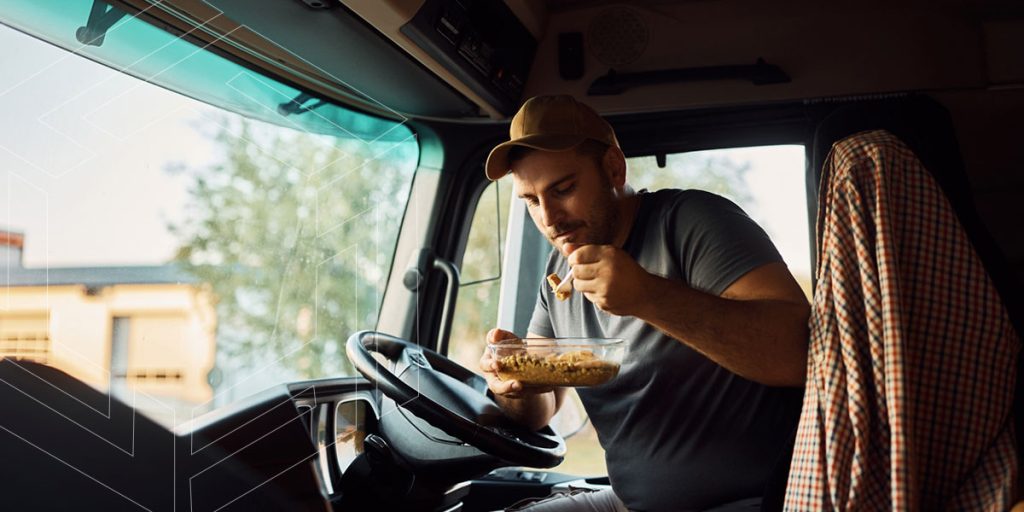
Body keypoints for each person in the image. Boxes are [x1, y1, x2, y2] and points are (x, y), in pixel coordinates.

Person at [479, 95, 809, 512]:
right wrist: (513, 382)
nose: (549, 218)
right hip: (630, 501)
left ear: (614, 168)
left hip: (753, 500)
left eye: (563, 189)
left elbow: (798, 352)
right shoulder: (559, 269)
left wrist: (648, 297)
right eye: (530, 200)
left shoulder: (693, 221)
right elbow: (542, 407)